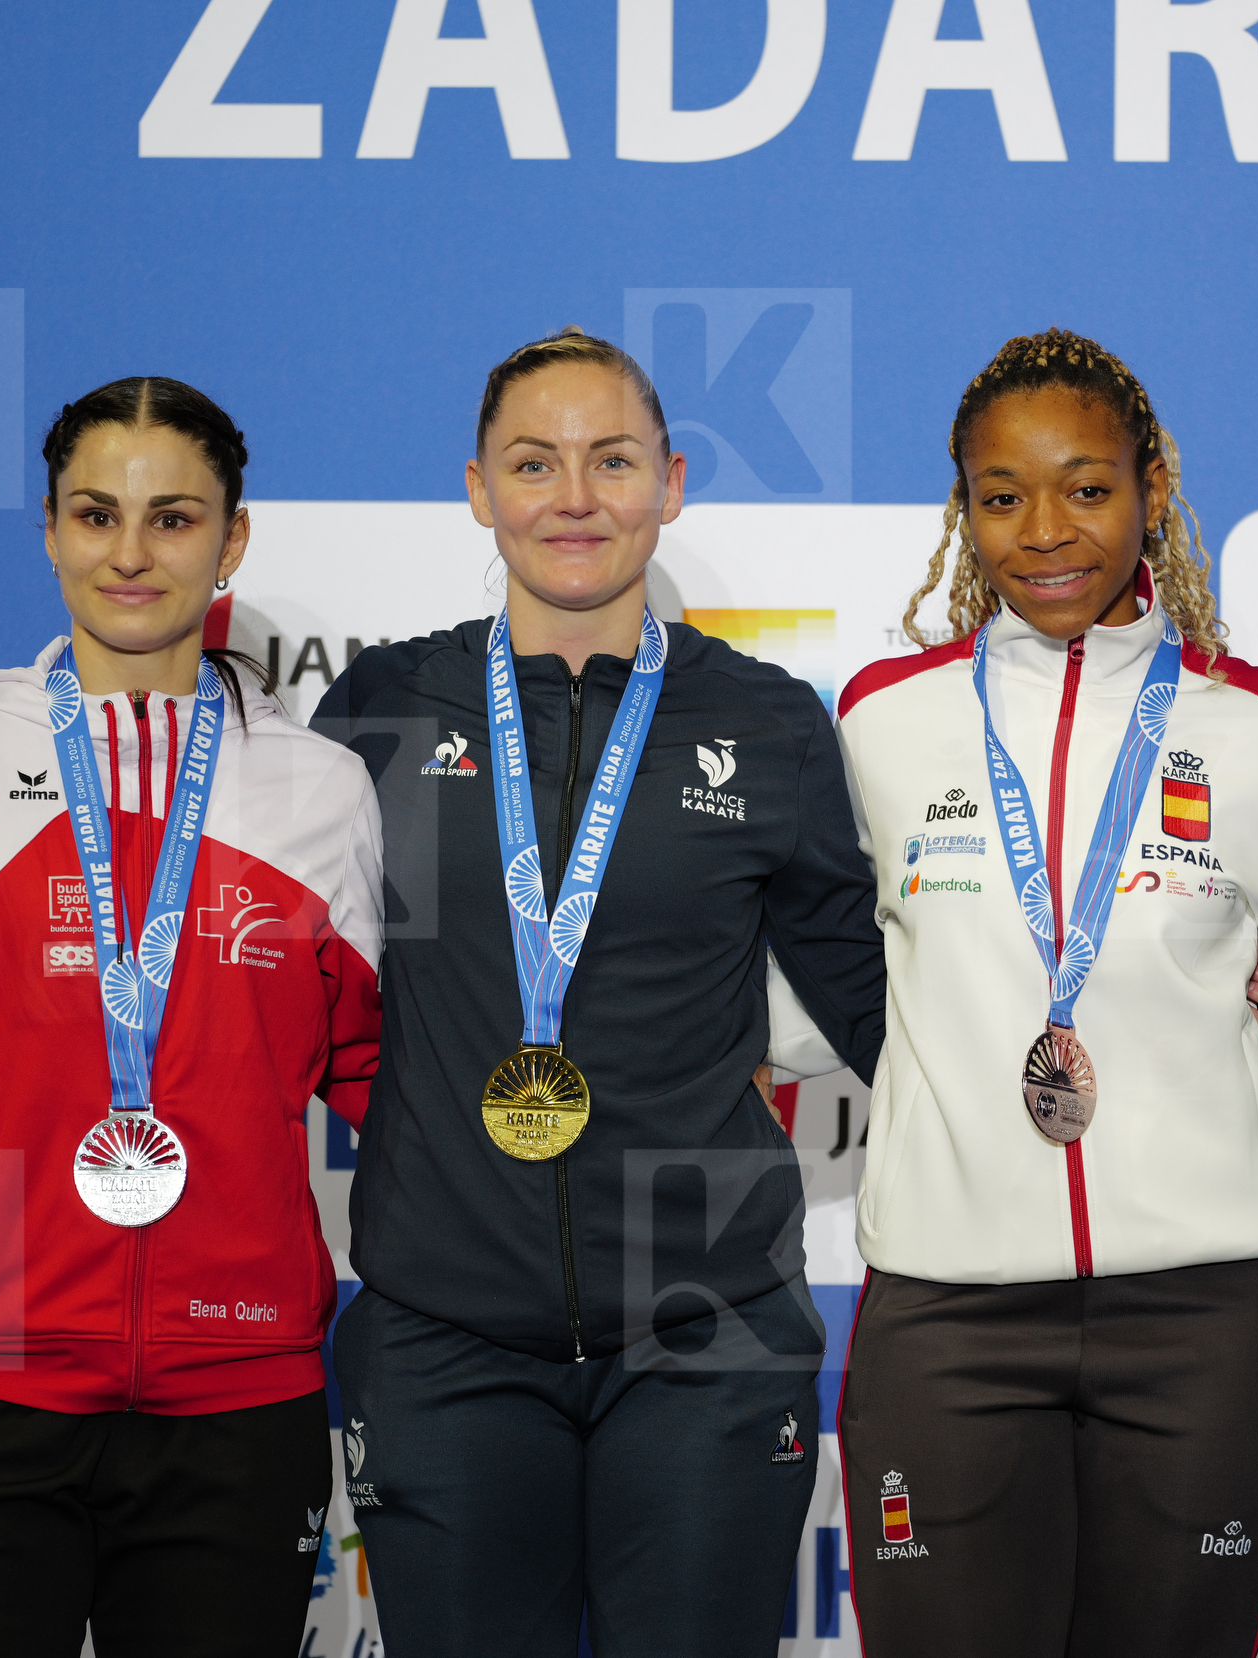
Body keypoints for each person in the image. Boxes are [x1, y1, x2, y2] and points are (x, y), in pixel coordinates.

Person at [310, 328, 888, 1656]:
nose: (574, 496)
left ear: (671, 483)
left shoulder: (769, 721)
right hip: (443, 1338)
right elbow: (289, 980)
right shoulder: (382, 703)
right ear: (477, 489)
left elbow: (882, 1006)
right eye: (534, 462)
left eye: (612, 459)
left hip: (707, 1336)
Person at [0, 377, 385, 1657]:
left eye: (173, 518)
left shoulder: (322, 791)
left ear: (232, 540)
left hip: (241, 1401)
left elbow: (377, 1080)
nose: (130, 554)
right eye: (94, 515)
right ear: (50, 531)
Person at [826, 329, 1258, 1656]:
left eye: (1088, 486)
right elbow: (823, 978)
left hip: (1208, 1319)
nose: (1044, 529)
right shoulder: (879, 720)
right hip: (950, 1315)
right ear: (964, 509)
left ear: (1152, 484)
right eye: (1002, 495)